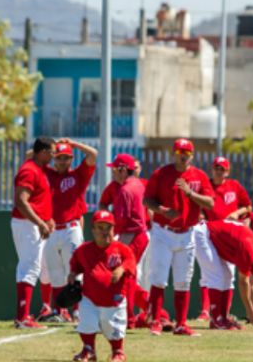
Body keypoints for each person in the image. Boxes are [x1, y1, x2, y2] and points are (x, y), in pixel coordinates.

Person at [143, 138, 215, 336]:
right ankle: (156, 321)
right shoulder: (161, 173)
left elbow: (210, 203)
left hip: (187, 232)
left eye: (186, 153)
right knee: (158, 279)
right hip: (163, 231)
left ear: (192, 155)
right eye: (178, 152)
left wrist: (190, 193)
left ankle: (181, 324)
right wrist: (161, 210)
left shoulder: (198, 176)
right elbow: (147, 199)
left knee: (183, 280)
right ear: (172, 154)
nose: (182, 156)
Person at [39, 138, 98, 322]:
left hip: (71, 227)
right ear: (53, 158)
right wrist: (49, 146)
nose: (62, 161)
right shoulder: (47, 173)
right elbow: (31, 157)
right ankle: (59, 311)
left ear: (72, 159)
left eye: (66, 158)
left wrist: (73, 144)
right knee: (55, 272)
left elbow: (93, 154)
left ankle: (78, 310)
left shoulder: (78, 175)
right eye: (59, 157)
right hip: (51, 228)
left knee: (74, 270)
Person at [68, 210, 138, 362]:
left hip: (114, 298)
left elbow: (131, 262)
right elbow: (76, 264)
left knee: (113, 326)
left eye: (109, 228)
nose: (105, 232)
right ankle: (88, 350)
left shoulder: (122, 249)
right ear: (93, 230)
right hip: (90, 296)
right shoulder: (84, 250)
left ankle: (118, 351)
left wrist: (121, 269)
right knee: (86, 323)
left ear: (114, 230)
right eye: (100, 227)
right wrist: (73, 273)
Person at [195, 156, 253, 321]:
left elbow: (248, 206)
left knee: (229, 275)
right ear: (212, 169)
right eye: (216, 168)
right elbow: (197, 206)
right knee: (208, 274)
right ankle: (206, 311)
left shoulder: (234, 186)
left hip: (229, 236)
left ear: (227, 171)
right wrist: (200, 215)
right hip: (210, 233)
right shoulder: (206, 186)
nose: (219, 171)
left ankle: (224, 313)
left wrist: (237, 213)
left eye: (222, 168)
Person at [11, 137, 56, 329]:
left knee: (31, 267)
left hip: (32, 224)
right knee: (29, 267)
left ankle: (22, 316)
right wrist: (39, 222)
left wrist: (47, 219)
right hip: (27, 224)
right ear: (43, 152)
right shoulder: (30, 170)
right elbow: (21, 201)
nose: (54, 156)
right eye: (52, 152)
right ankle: (23, 317)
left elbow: (38, 200)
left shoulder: (38, 169)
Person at [204, 219, 253, 330]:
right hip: (204, 233)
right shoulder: (249, 248)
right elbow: (244, 282)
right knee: (218, 275)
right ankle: (216, 320)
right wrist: (249, 310)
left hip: (214, 237)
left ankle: (223, 318)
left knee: (228, 276)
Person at [107, 154, 152, 329]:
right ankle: (151, 308)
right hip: (139, 234)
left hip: (131, 235)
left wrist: (112, 236)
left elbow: (122, 219)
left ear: (123, 169)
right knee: (128, 276)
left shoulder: (125, 189)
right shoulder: (138, 184)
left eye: (115, 168)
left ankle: (132, 317)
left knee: (125, 277)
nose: (113, 172)